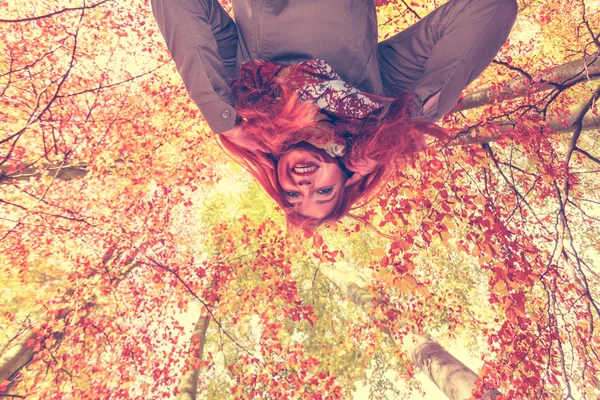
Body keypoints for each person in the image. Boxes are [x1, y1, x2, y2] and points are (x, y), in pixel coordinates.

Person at [151, 0, 518, 230]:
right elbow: (491, 8)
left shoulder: (244, 91)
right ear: (348, 175)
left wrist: (223, 118)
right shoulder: (377, 95)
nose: (304, 186)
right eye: (323, 192)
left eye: (292, 196)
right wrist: (400, 128)